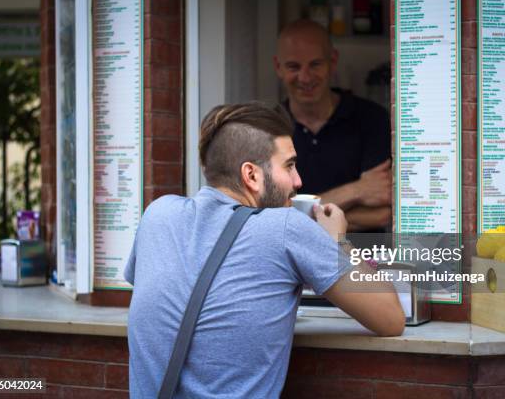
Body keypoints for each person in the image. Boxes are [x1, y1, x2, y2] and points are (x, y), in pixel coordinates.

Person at [125, 102, 404, 398]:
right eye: (289, 165)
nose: (298, 181)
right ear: (252, 175)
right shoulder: (285, 227)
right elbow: (390, 318)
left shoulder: (158, 214)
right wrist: (338, 243)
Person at [274, 19, 392, 232]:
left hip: (360, 258)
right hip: (291, 262)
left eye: (315, 64)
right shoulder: (268, 127)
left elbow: (382, 213)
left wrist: (297, 215)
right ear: (278, 67)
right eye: (294, 66)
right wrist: (357, 190)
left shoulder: (372, 119)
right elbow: (274, 216)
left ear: (333, 61)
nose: (305, 76)